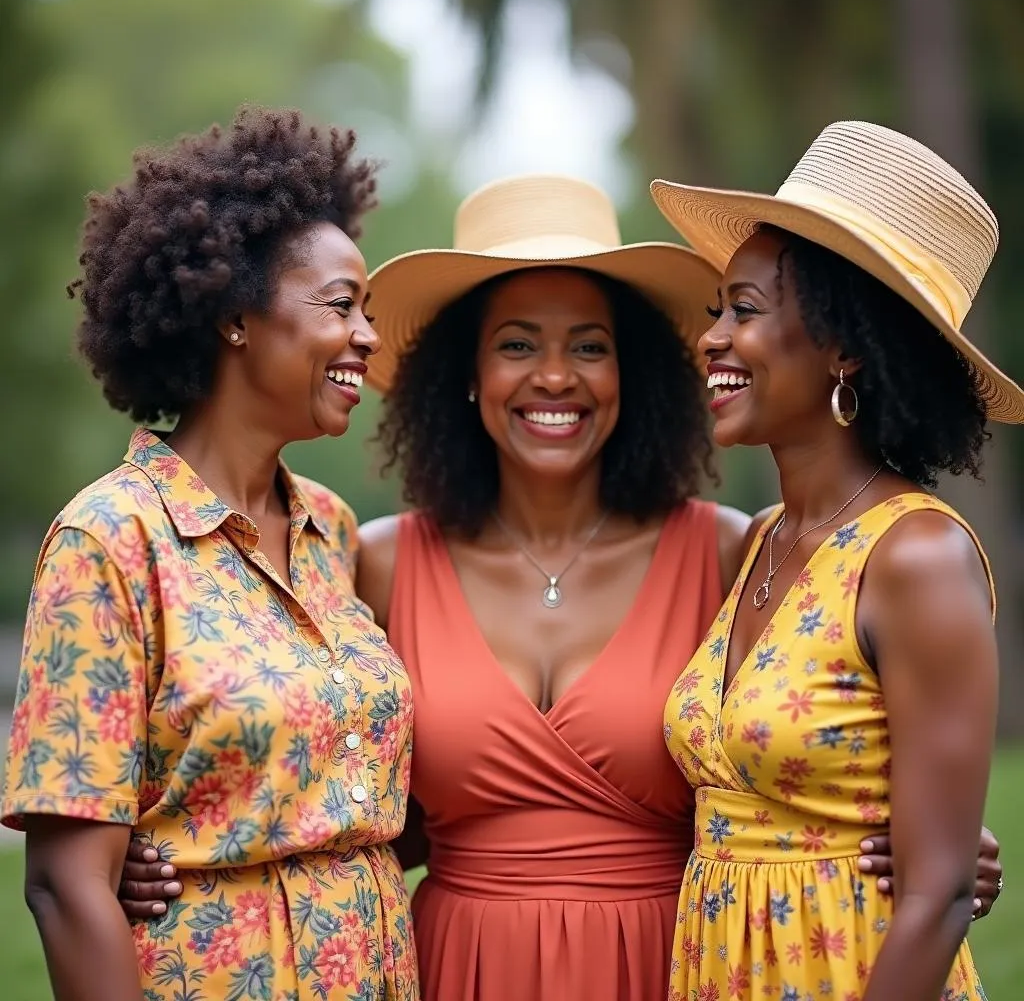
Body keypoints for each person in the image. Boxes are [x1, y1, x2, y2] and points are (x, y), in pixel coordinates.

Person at [116, 174, 1004, 1000]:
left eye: (590, 346)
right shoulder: (372, 560)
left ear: (637, 374)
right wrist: (172, 846)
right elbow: (346, 782)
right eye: (516, 345)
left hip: (670, 959)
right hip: (461, 960)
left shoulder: (732, 553)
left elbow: (809, 766)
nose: (553, 376)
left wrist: (934, 847)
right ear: (463, 375)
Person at [0, 106, 419, 1001]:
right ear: (234, 317)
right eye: (341, 306)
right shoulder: (110, 542)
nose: (368, 337)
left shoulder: (333, 532)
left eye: (369, 312)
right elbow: (68, 887)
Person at [652, 119, 1019, 1000]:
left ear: (845, 345)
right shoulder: (759, 542)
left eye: (744, 309)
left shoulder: (916, 556)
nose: (711, 338)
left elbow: (935, 897)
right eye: (716, 311)